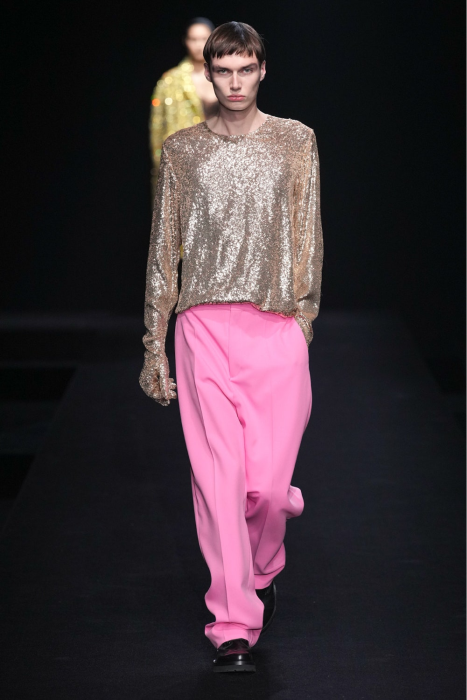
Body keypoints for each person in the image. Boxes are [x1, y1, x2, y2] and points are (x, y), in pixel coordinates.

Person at [139, 21, 324, 673]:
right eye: (224, 71)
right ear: (209, 74)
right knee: (219, 483)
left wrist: (303, 321)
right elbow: (163, 250)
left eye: (246, 69)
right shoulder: (183, 150)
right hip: (202, 327)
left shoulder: (295, 140)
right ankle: (233, 623)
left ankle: (263, 564)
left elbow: (307, 234)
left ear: (262, 71)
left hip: (274, 327)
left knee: (267, 491)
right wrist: (154, 344)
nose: (235, 82)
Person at [149, 17, 218, 198]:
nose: (198, 45)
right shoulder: (170, 81)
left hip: (221, 164)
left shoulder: (227, 77)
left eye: (203, 39)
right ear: (185, 41)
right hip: (183, 170)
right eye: (193, 39)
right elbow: (157, 132)